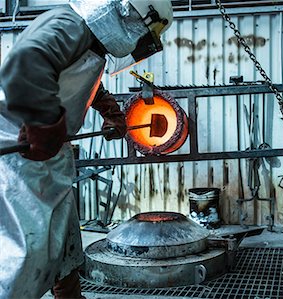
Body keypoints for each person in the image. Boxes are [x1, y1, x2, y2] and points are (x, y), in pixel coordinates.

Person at [0, 0, 173, 298]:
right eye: (144, 32)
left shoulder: (91, 41)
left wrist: (108, 109)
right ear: (128, 13)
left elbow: (75, 76)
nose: (139, 41)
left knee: (64, 246)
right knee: (23, 255)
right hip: (20, 154)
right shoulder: (70, 24)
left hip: (49, 155)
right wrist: (44, 123)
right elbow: (28, 63)